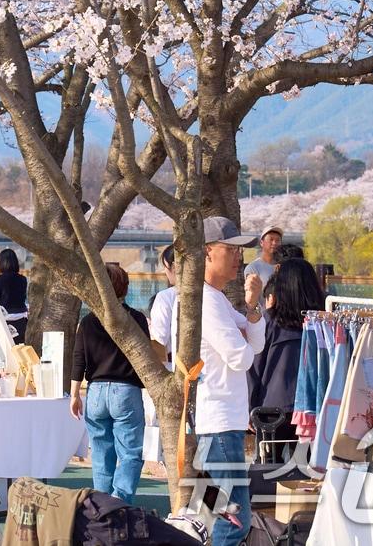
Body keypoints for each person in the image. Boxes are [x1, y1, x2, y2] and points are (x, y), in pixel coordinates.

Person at [185, 217, 266, 546]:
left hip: (217, 422)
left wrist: (252, 308)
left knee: (212, 517)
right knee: (233, 520)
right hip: (220, 425)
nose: (239, 257)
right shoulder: (208, 301)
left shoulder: (213, 298)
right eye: (231, 249)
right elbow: (243, 357)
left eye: (240, 250)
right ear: (207, 252)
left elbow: (255, 344)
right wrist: (248, 320)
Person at [69, 263, 149, 504]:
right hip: (125, 391)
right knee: (130, 453)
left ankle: (102, 505)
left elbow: (78, 358)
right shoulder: (135, 318)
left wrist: (75, 394)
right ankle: (120, 502)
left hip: (95, 392)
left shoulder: (88, 321)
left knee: (101, 453)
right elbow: (145, 357)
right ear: (124, 288)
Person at [250, 258, 325, 422]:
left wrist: (248, 406)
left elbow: (254, 365)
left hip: (272, 407)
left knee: (270, 448)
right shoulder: (324, 324)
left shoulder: (269, 321)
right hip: (314, 407)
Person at [0, 247, 29, 343]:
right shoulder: (23, 279)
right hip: (21, 319)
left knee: (4, 347)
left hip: (5, 320)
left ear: (1, 263)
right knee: (19, 347)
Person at [148, 245, 177, 368]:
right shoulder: (211, 293)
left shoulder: (166, 297)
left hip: (175, 366)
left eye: (165, 266)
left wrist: (149, 328)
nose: (165, 271)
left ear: (175, 267)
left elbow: (160, 338)